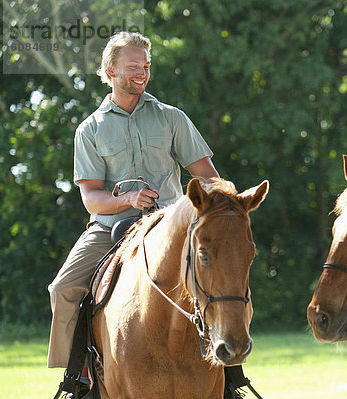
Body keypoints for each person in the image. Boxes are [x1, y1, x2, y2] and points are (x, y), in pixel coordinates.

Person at [47, 31, 219, 392]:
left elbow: (207, 176)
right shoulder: (90, 129)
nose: (142, 72)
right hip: (110, 227)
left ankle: (229, 371)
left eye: (146, 66)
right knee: (63, 288)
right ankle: (81, 376)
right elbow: (92, 198)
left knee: (223, 278)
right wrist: (127, 200)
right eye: (133, 66)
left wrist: (222, 210)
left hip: (170, 226)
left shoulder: (172, 118)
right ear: (110, 71)